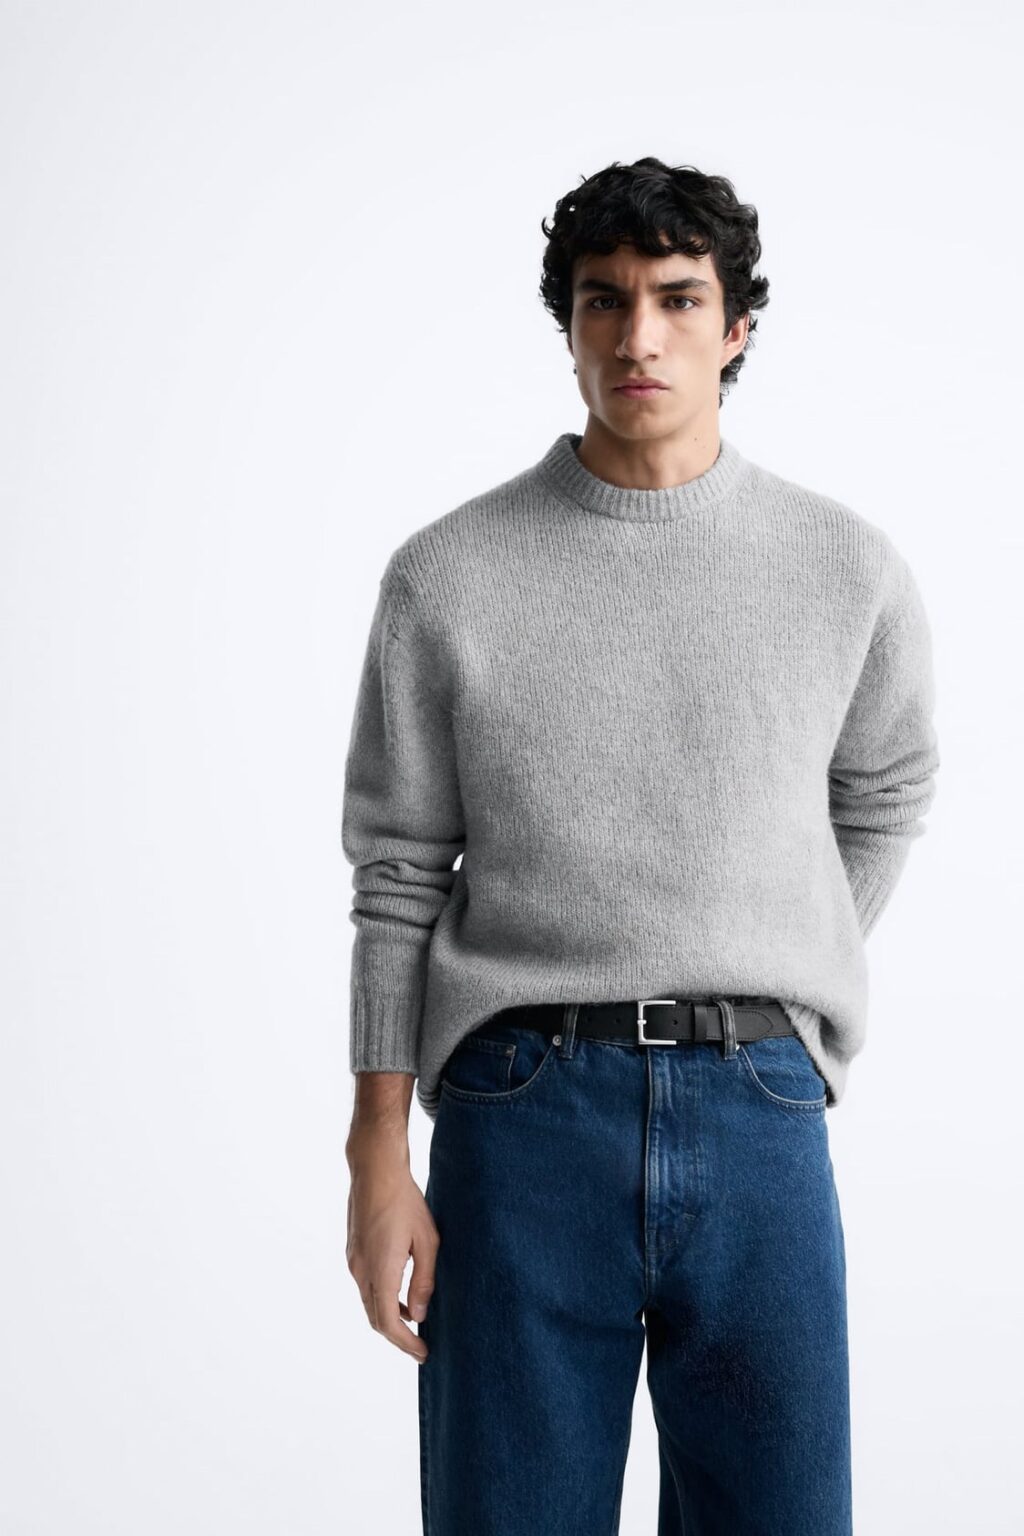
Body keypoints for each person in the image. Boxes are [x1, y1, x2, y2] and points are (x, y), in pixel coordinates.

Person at [342, 157, 939, 1535]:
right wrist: (377, 1153)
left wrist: (774, 935)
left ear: (736, 329)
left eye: (678, 299)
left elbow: (888, 788)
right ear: (568, 328)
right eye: (603, 302)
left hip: (761, 1108)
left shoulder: (843, 568)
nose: (638, 336)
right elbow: (397, 873)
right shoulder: (448, 575)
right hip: (521, 1116)